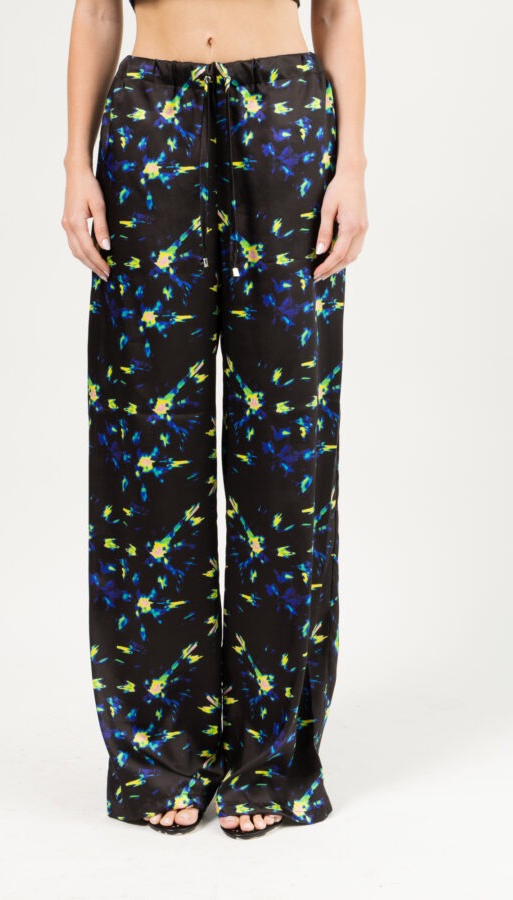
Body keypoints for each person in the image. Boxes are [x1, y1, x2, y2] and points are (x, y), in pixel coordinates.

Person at [62, 0, 368, 839]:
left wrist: (351, 165)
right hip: (148, 122)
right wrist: (76, 163)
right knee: (146, 446)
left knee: (287, 446)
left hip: (285, 123)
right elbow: (97, 13)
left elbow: (338, 12)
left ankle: (271, 758)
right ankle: (162, 753)